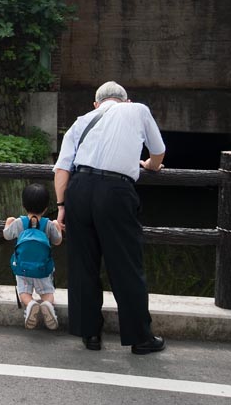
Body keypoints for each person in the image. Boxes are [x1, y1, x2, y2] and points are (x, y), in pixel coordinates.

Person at [53, 81, 166, 355]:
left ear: (96, 104)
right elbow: (158, 151)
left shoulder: (82, 121)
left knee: (83, 264)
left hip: (79, 188)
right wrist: (151, 166)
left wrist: (61, 206)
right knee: (125, 263)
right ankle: (140, 338)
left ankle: (89, 333)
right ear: (126, 101)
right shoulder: (137, 110)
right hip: (115, 191)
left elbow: (61, 168)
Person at [4, 183, 63, 330]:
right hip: (42, 269)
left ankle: (30, 304)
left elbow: (6, 235)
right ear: (46, 207)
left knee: (24, 292)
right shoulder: (47, 224)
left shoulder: (19, 223)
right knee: (48, 293)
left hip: (22, 269)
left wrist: (8, 222)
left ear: (23, 205)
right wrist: (56, 225)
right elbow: (57, 241)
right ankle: (47, 305)